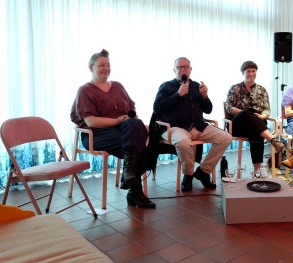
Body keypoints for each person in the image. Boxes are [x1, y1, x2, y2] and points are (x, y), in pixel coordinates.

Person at [70, 49, 156, 209]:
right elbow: (91, 121)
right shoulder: (85, 90)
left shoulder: (118, 86)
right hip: (95, 134)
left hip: (122, 131)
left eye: (108, 65)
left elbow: (132, 110)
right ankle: (134, 190)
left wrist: (130, 119)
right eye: (102, 65)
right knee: (139, 144)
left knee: (138, 125)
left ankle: (129, 173)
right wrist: (117, 121)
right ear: (91, 67)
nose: (106, 68)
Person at [153, 57, 232, 192]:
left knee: (226, 137)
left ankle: (203, 171)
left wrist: (205, 96)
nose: (183, 69)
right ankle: (188, 175)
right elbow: (157, 108)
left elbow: (208, 110)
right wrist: (178, 94)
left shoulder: (196, 86)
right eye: (179, 67)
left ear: (190, 69)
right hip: (175, 127)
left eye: (186, 67)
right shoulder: (166, 86)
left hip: (199, 125)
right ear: (174, 70)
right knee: (183, 142)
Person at [226, 61, 284, 171]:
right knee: (246, 113)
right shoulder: (235, 89)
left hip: (257, 124)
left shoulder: (262, 90)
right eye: (248, 71)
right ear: (243, 73)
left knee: (256, 129)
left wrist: (263, 116)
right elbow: (229, 108)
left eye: (254, 71)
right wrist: (246, 114)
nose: (251, 74)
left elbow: (267, 108)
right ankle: (272, 140)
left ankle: (257, 171)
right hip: (238, 125)